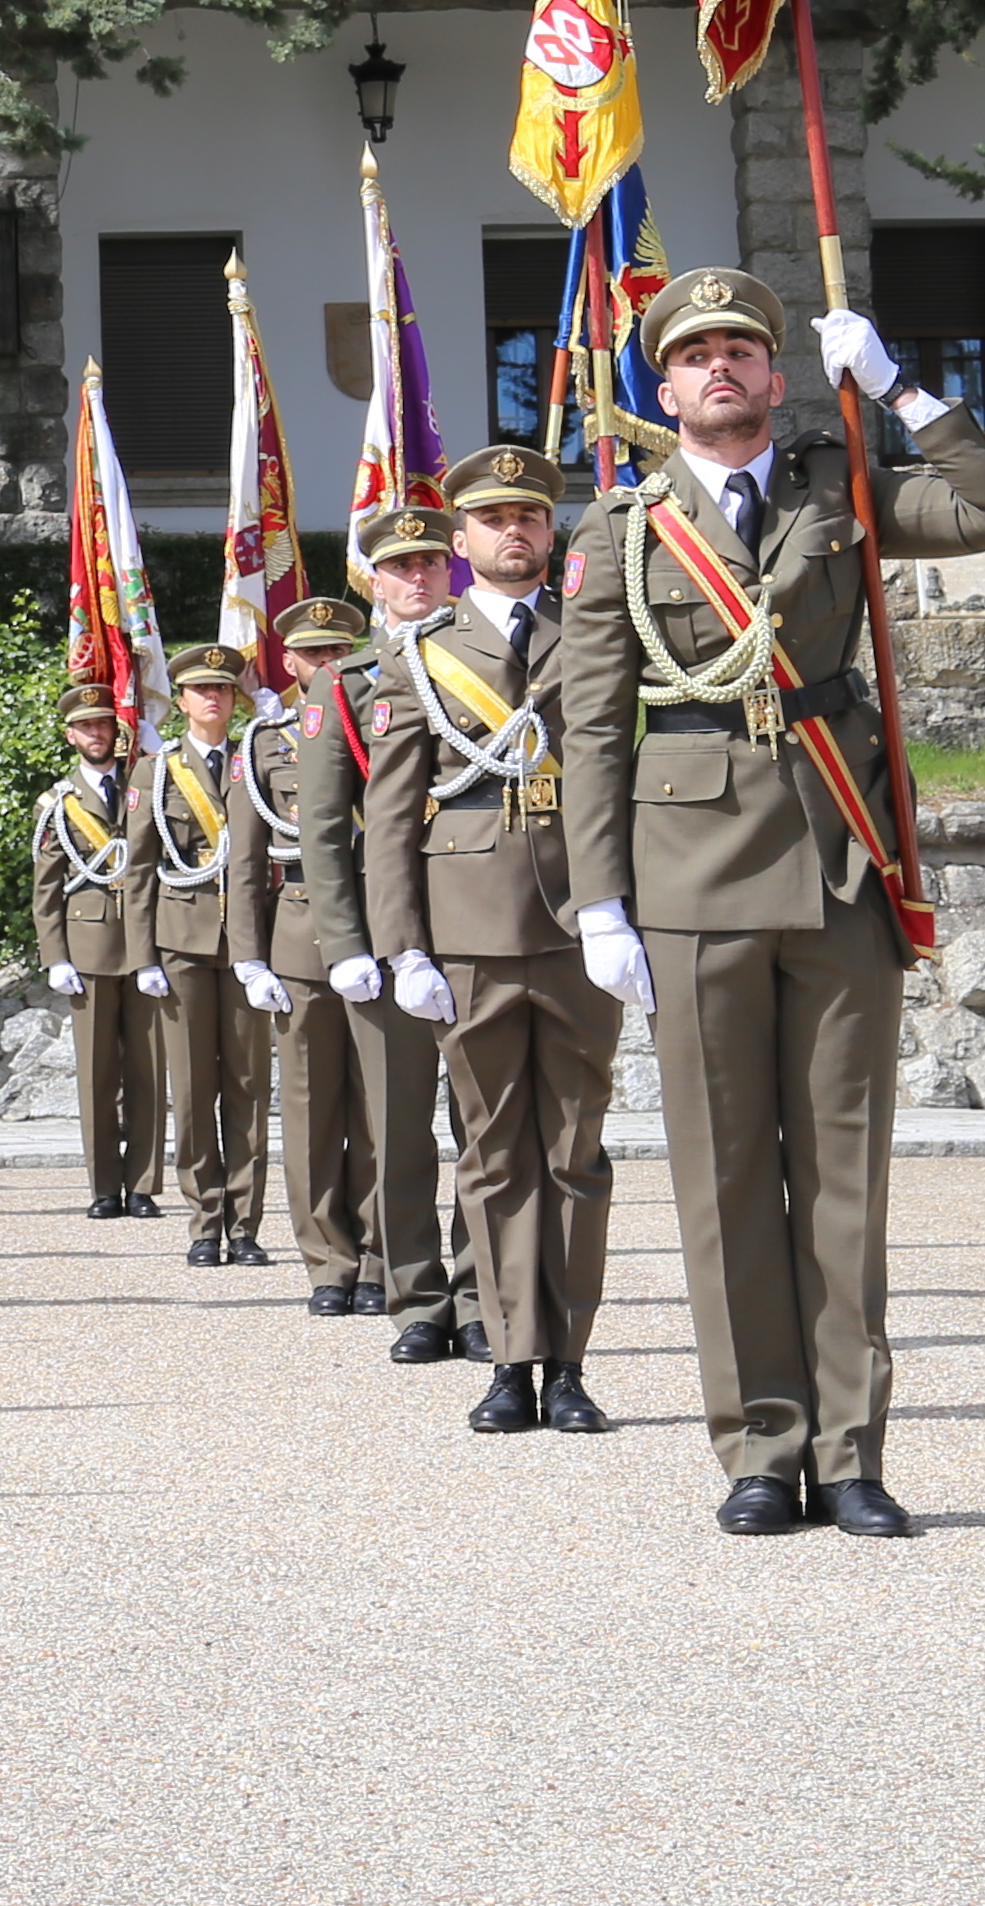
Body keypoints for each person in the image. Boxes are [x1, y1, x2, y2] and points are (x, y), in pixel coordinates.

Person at [558, 265, 985, 1543]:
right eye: (694, 355)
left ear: (777, 376)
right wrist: (600, 902)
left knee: (843, 1178)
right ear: (664, 391)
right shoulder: (620, 531)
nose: (719, 366)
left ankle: (851, 1453)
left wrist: (901, 391)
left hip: (838, 860)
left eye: (740, 349)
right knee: (724, 1181)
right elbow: (593, 725)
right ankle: (762, 1450)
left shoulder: (843, 491)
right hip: (689, 876)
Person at [371, 440, 621, 1443]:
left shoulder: (596, 630)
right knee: (492, 1153)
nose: (513, 530)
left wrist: (625, 910)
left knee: (575, 1153)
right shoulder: (420, 653)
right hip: (468, 928)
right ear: (461, 539)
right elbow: (391, 816)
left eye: (529, 515)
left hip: (579, 921)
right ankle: (511, 1360)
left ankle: (570, 1364)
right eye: (492, 518)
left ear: (549, 530)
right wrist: (404, 947)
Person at [300, 511, 483, 1362]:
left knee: (484, 1124)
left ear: (452, 571)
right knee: (399, 1128)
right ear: (372, 579)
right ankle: (417, 1294)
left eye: (431, 563)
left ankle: (480, 1294)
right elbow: (323, 830)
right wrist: (343, 945)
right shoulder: (344, 684)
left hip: (478, 916)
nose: (418, 579)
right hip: (383, 935)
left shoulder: (486, 660)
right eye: (400, 567)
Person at [228, 592, 377, 1313]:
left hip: (381, 929)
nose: (326, 663)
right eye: (313, 654)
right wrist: (249, 956)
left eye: (338, 652)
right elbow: (245, 859)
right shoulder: (264, 743)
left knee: (381, 1110)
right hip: (300, 935)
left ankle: (381, 1257)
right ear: (288, 663)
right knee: (312, 1110)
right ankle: (328, 1263)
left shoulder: (389, 719)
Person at [137, 643, 270, 1270]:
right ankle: (204, 1221)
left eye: (221, 688)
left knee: (247, 1087)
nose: (212, 698)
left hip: (246, 943)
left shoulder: (256, 759)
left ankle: (245, 1225)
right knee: (192, 1089)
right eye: (200, 690)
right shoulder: (158, 771)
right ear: (182, 702)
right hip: (183, 944)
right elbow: (138, 870)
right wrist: (144, 956)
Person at [30, 682, 156, 1222]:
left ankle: (143, 1184)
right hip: (88, 947)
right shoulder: (58, 804)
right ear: (71, 736)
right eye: (85, 726)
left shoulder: (145, 786)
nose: (96, 733)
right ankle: (105, 1185)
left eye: (103, 724)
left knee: (149, 1073)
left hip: (146, 944)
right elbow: (46, 888)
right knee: (97, 1075)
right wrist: (55, 956)